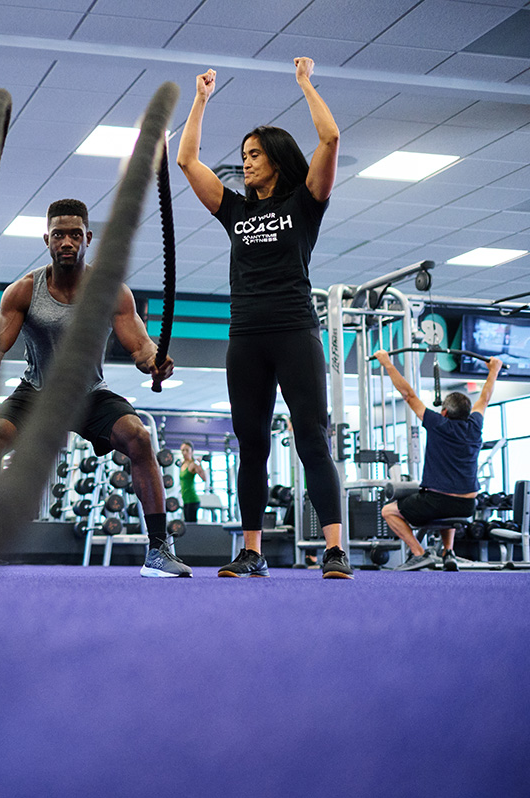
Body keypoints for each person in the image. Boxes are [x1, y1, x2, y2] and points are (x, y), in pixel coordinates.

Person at [0, 199, 191, 578]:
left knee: (139, 438)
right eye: (59, 234)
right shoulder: (24, 291)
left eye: (75, 234)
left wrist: (155, 361)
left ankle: (159, 550)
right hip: (35, 391)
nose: (67, 242)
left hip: (89, 393)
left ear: (88, 238)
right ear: (47, 239)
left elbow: (140, 346)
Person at [176, 57, 352, 579]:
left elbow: (332, 137)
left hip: (295, 330)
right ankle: (251, 553)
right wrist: (201, 99)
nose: (245, 163)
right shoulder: (236, 210)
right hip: (246, 335)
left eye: (254, 155)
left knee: (310, 438)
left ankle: (335, 549)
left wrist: (304, 83)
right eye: (244, 156)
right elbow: (186, 160)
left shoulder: (306, 202)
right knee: (250, 443)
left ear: (276, 158)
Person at [374, 351, 502, 571]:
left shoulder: (437, 423)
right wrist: (494, 370)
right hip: (467, 505)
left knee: (388, 511)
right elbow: (485, 397)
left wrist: (386, 362)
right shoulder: (475, 425)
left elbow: (408, 395)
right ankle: (448, 552)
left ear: (443, 412)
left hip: (437, 503)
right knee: (447, 504)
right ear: (467, 413)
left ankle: (419, 553)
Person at [177, 441, 206, 523]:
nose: (184, 452)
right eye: (183, 450)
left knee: (191, 527)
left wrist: (199, 464)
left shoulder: (193, 464)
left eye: (187, 450)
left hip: (192, 500)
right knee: (186, 525)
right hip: (185, 500)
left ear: (192, 452)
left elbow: (204, 478)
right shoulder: (183, 464)